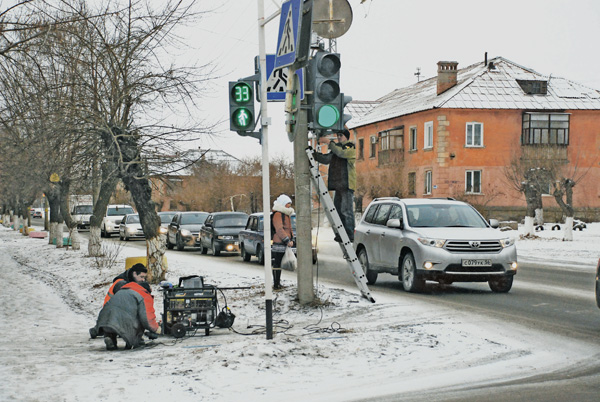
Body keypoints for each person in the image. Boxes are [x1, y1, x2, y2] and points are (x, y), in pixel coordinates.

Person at [312, 129, 356, 242]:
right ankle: (342, 234)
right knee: (338, 210)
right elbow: (326, 159)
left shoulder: (350, 147)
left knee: (346, 210)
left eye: (341, 135)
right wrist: (313, 155)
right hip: (338, 184)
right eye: (338, 135)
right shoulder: (336, 149)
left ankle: (350, 234)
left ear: (346, 136)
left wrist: (328, 142)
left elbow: (342, 153)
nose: (339, 137)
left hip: (346, 185)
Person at [93, 280, 159, 350]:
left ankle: (109, 337)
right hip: (123, 323)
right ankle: (137, 342)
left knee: (113, 322)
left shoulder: (121, 292)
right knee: (136, 321)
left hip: (105, 320)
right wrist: (156, 329)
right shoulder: (144, 295)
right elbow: (146, 318)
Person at [89, 263, 148, 339]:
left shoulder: (134, 282)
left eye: (144, 277)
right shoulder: (121, 283)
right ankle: (104, 331)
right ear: (134, 274)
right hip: (111, 313)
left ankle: (100, 330)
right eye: (141, 277)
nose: (143, 280)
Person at [271, 194, 294, 290]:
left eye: (290, 204)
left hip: (284, 242)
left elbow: (289, 228)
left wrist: (292, 239)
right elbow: (279, 229)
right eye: (287, 203)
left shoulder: (285, 214)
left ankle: (278, 283)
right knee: (277, 263)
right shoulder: (278, 214)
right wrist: (287, 239)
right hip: (279, 243)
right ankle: (276, 283)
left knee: (279, 264)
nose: (289, 205)